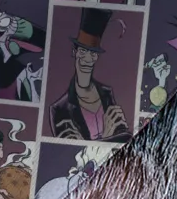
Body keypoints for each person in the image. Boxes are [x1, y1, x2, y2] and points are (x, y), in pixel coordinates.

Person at [49, 9, 131, 142]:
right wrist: (106, 136)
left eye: (92, 53)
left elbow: (123, 137)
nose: (87, 59)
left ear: (96, 57)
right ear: (74, 52)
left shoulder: (107, 93)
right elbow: (69, 151)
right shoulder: (60, 109)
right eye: (82, 51)